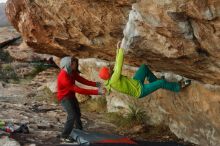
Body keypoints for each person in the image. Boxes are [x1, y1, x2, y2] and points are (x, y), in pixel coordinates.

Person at [98, 43, 191, 99]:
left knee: (144, 68)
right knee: (162, 82)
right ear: (109, 74)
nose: (110, 68)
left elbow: (115, 66)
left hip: (136, 82)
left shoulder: (111, 77)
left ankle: (154, 81)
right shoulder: (114, 79)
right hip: (140, 91)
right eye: (108, 70)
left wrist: (117, 50)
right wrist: (122, 51)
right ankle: (178, 87)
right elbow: (118, 66)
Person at [57, 56, 105, 141]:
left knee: (77, 114)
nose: (76, 66)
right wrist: (97, 92)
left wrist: (96, 84)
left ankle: (79, 131)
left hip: (71, 96)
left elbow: (82, 80)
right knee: (72, 115)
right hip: (64, 98)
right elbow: (78, 89)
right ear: (68, 64)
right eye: (74, 64)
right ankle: (64, 136)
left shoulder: (71, 72)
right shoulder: (63, 76)